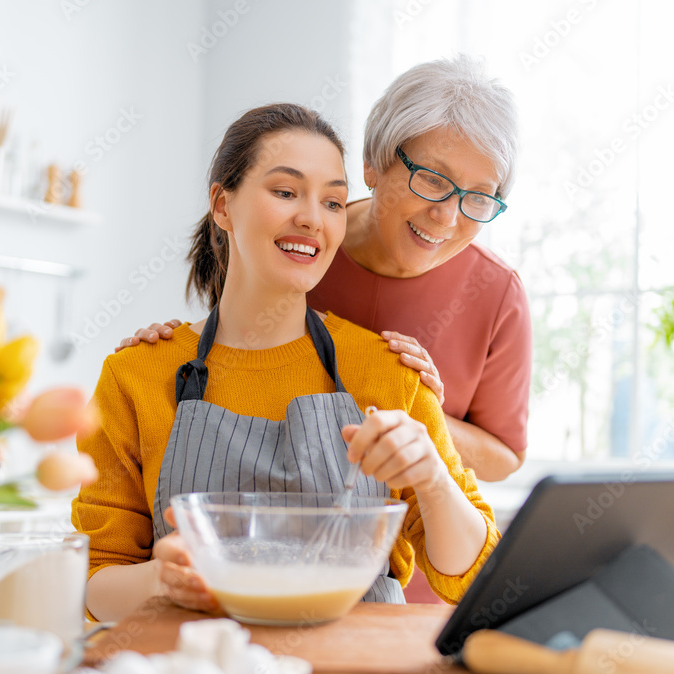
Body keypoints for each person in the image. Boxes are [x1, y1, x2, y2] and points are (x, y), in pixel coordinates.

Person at [72, 103, 500, 623]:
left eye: (334, 202)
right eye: (285, 192)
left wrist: (433, 479)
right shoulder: (137, 375)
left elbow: (471, 577)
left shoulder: (390, 372)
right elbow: (95, 581)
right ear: (222, 205)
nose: (312, 218)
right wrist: (160, 580)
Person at [117, 56, 530, 484]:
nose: (447, 217)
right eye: (432, 180)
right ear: (373, 164)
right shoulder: (297, 250)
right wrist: (165, 357)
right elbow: (226, 375)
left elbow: (505, 456)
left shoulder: (496, 292)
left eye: (479, 197)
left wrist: (413, 409)